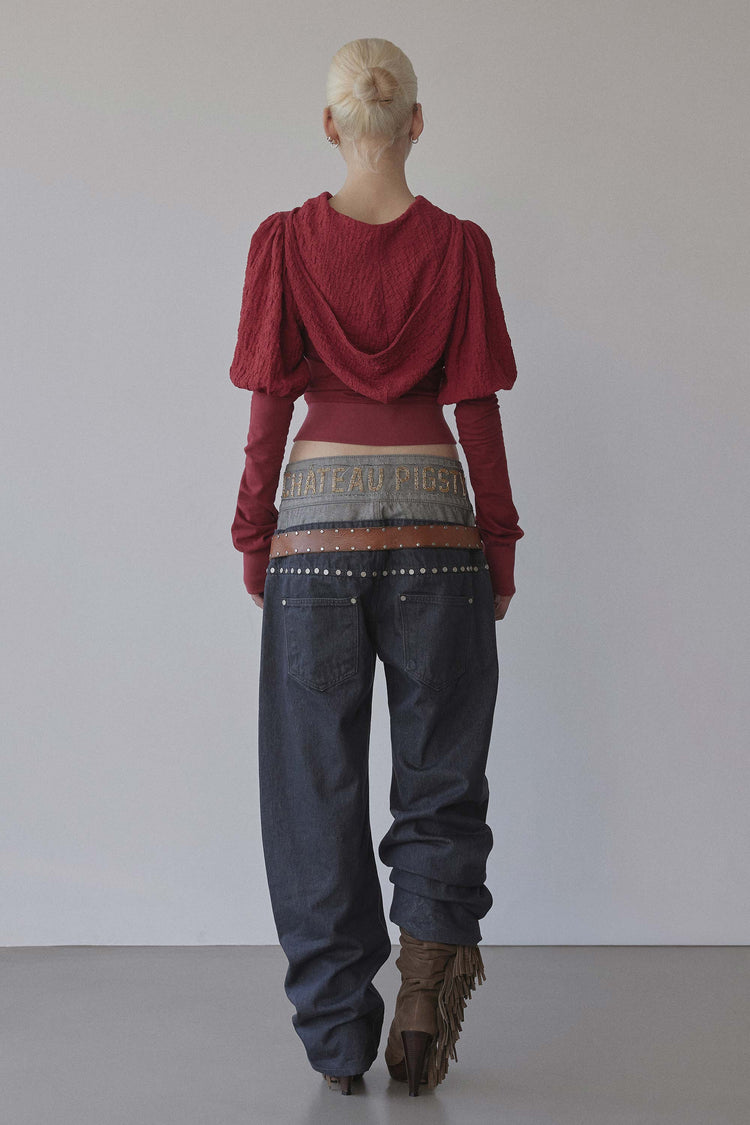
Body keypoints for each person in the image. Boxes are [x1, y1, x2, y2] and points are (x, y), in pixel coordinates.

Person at [228, 37, 524, 1098]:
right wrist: (499, 543)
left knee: (312, 779)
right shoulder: (460, 247)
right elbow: (476, 409)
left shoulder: (283, 242)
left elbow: (269, 406)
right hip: (439, 530)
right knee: (443, 766)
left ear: (330, 125)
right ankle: (429, 990)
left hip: (315, 535)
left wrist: (254, 533)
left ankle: (335, 1035)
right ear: (416, 123)